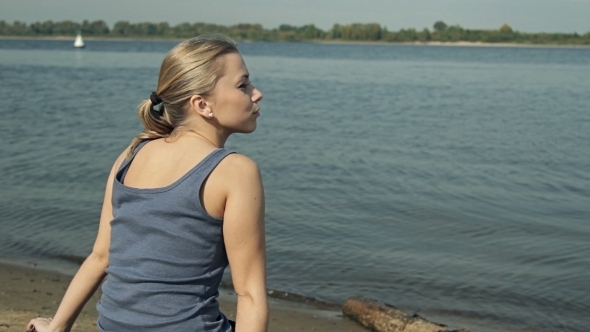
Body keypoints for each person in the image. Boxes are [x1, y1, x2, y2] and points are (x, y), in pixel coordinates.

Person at [27, 34, 268, 332]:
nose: (257, 94)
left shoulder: (131, 155)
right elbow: (249, 295)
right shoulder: (235, 171)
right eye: (243, 85)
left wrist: (57, 326)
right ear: (202, 104)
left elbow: (101, 256)